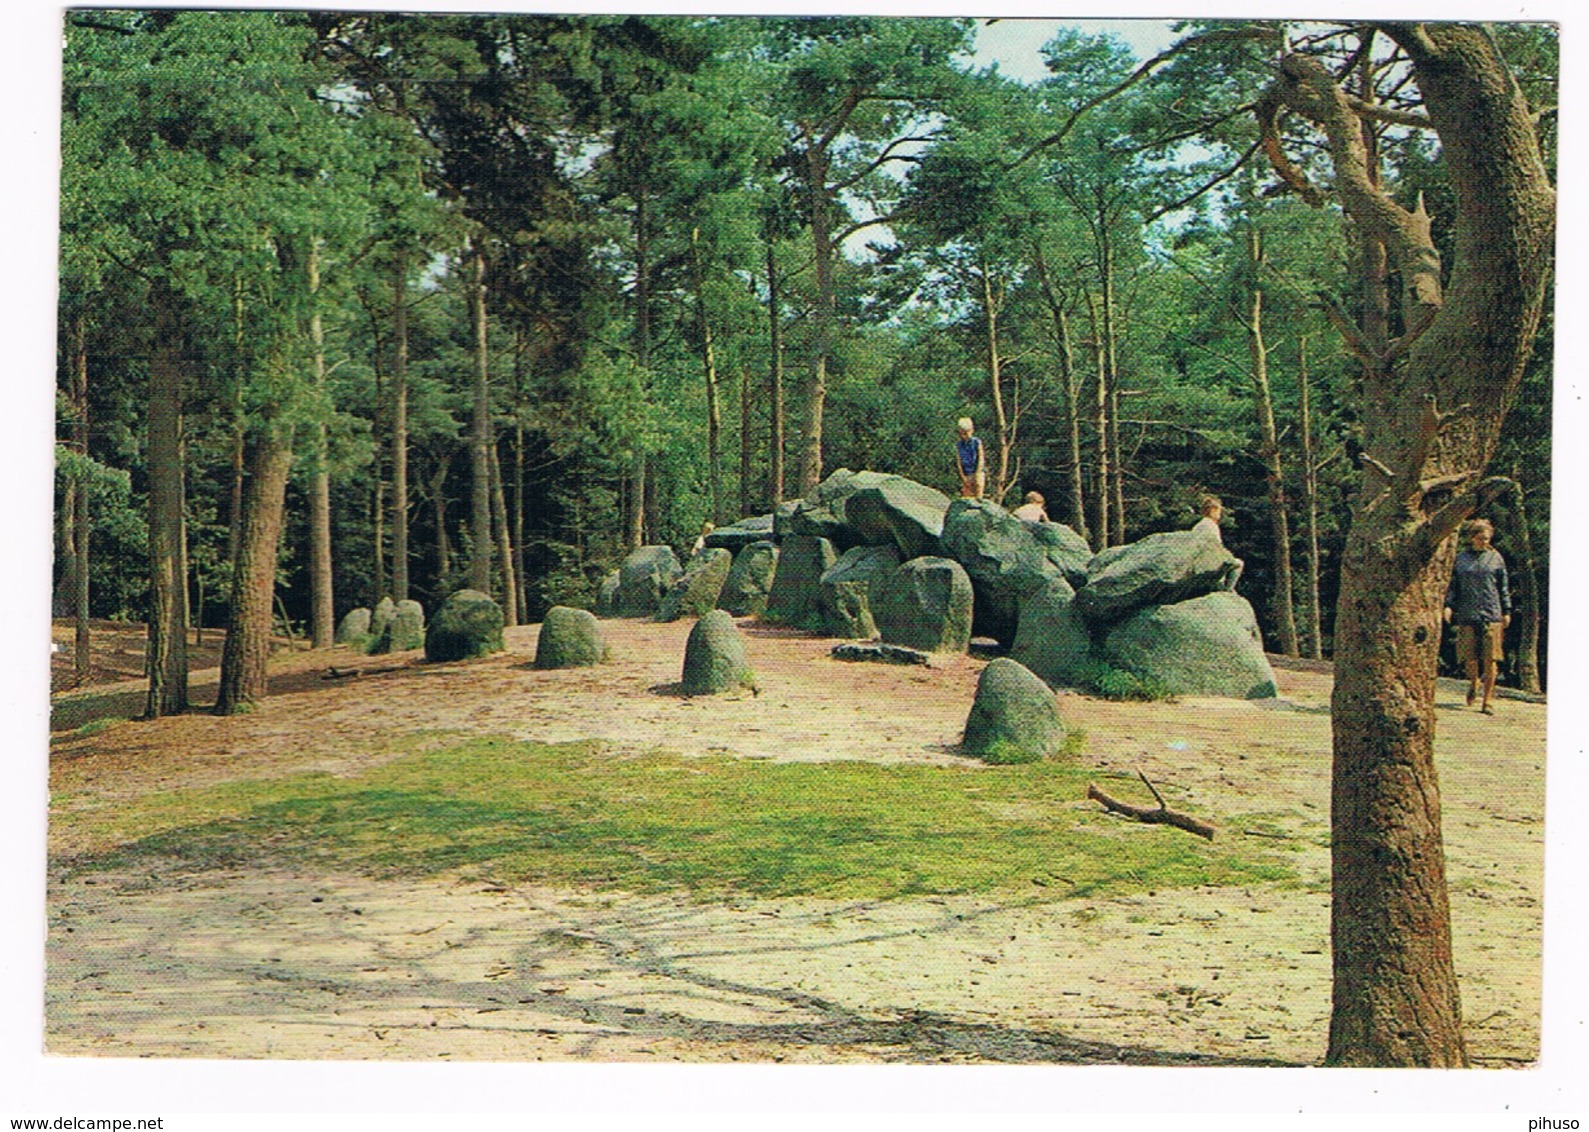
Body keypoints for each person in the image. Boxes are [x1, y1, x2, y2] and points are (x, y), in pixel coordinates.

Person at [1444, 518, 1511, 715]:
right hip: (1467, 613)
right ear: (1472, 538)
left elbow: (1503, 587)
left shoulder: (1496, 558)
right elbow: (1452, 586)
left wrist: (1506, 611)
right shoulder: (1461, 559)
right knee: (1470, 658)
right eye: (1481, 538)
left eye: (1488, 538)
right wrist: (1448, 606)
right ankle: (1474, 682)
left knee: (1491, 659)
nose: (1485, 542)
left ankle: (1487, 701)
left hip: (1492, 613)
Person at [1193, 495, 1243, 590]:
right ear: (1213, 510)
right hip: (1209, 559)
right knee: (1239, 564)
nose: (1220, 515)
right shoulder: (1210, 525)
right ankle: (1228, 590)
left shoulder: (1199, 525)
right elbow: (1216, 546)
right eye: (1219, 511)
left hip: (1199, 559)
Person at [954, 417, 985, 499]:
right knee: (967, 495)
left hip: (977, 472)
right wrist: (963, 477)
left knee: (978, 488)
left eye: (967, 432)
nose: (964, 436)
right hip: (966, 473)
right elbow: (959, 461)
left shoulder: (976, 442)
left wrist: (976, 474)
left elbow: (981, 458)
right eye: (962, 433)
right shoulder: (959, 445)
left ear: (972, 431)